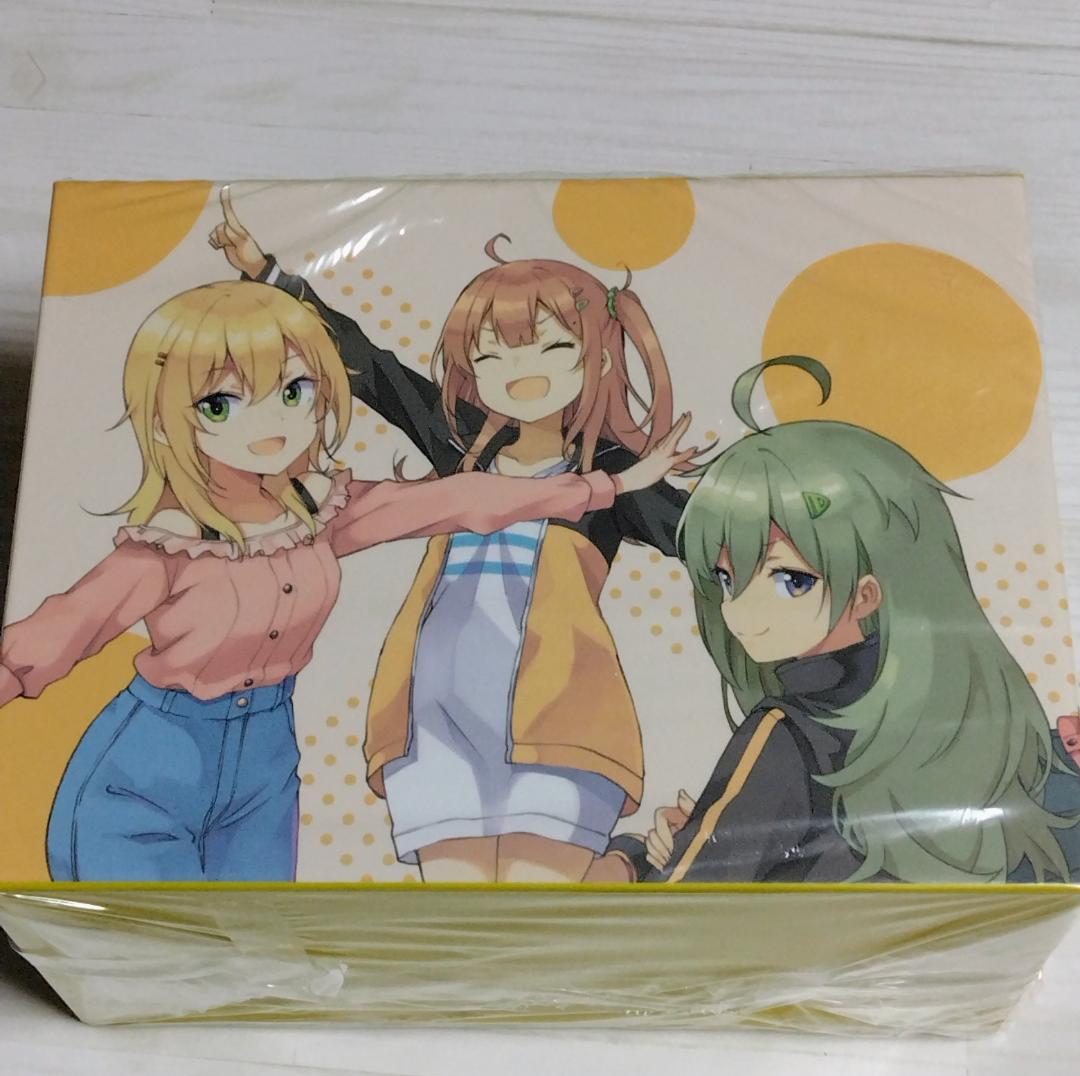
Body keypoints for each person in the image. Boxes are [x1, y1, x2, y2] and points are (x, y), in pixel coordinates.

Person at [0, 280, 691, 883]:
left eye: (293, 392)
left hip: (266, 764)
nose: (271, 423)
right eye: (220, 405)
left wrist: (604, 487)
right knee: (159, 948)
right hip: (147, 770)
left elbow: (461, 500)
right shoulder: (167, 548)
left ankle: (618, 869)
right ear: (166, 419)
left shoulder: (322, 513)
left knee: (258, 951)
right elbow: (55, 633)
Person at [210, 189, 697, 882]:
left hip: (557, 720)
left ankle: (623, 868)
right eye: (493, 355)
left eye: (553, 348)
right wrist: (269, 275)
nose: (522, 372)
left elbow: (710, 539)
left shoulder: (614, 473)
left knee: (540, 909)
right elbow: (372, 369)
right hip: (433, 721)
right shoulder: (461, 444)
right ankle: (622, 869)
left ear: (599, 361)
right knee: (461, 911)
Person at [589, 356, 1075, 885]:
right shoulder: (982, 732)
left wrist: (641, 859)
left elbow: (694, 897)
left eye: (790, 580)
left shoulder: (789, 732)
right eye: (728, 580)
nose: (740, 612)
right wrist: (714, 830)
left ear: (867, 594)